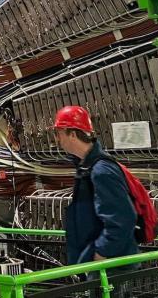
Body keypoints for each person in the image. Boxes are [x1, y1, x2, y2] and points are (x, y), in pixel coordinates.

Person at [52, 106, 138, 267]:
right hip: (101, 263)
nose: (57, 139)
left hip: (111, 266)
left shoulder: (101, 170)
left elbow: (123, 218)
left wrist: (101, 252)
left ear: (72, 134)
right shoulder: (86, 167)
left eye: (59, 133)